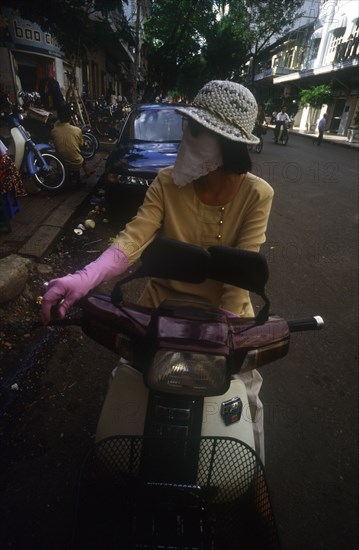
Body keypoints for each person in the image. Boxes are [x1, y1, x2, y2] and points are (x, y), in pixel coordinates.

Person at [41, 80, 274, 462]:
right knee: (127, 382)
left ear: (226, 144)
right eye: (188, 126)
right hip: (158, 313)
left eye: (195, 130)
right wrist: (82, 279)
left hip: (228, 322)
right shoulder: (166, 181)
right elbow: (134, 238)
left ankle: (256, 483)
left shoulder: (257, 194)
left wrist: (224, 337)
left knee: (247, 402)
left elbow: (239, 273)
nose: (186, 135)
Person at [51, 104, 94, 181]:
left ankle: (86, 170)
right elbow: (81, 144)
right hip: (76, 162)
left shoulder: (54, 131)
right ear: (70, 117)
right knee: (79, 150)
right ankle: (86, 170)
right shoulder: (77, 130)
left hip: (61, 162)